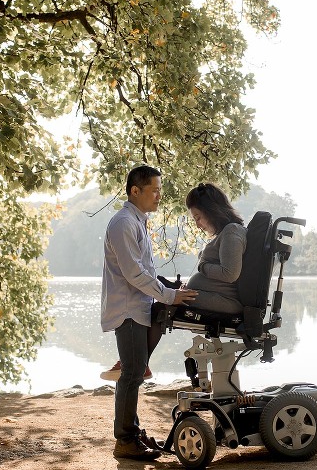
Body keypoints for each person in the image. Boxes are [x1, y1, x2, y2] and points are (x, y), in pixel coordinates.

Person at [100, 165, 198, 461]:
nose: (159, 196)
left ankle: (133, 433)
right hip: (127, 310)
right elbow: (133, 274)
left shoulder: (138, 221)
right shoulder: (123, 224)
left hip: (140, 307)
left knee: (136, 371)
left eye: (160, 190)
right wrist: (169, 295)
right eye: (154, 190)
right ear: (135, 191)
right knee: (131, 375)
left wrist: (170, 288)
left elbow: (146, 271)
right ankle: (125, 441)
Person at [182, 183, 247, 314]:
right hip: (218, 299)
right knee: (165, 297)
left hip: (228, 303)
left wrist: (203, 266)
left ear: (211, 210)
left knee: (162, 305)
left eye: (198, 218)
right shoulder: (226, 233)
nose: (197, 225)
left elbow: (229, 274)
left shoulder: (232, 231)